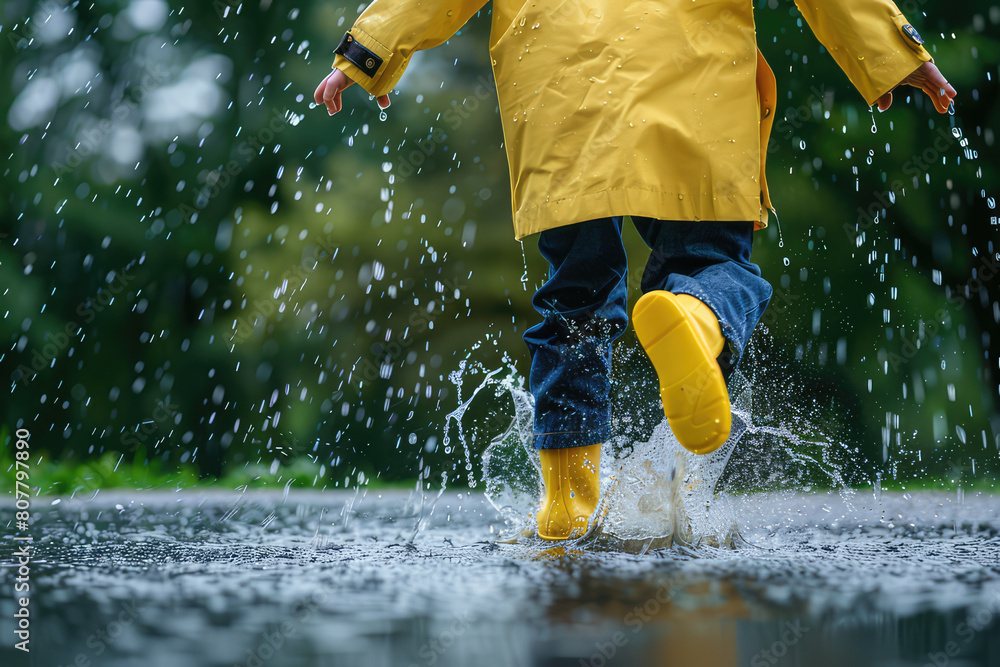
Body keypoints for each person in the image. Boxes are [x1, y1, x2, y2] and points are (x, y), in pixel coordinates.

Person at [315, 1, 957, 540]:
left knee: (575, 298)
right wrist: (899, 56)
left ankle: (569, 501)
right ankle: (697, 318)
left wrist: (366, 54)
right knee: (711, 262)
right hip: (694, 90)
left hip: (563, 93)